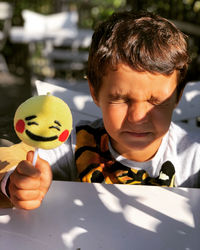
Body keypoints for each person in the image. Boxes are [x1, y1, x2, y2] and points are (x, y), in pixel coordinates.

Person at [0, 10, 200, 210]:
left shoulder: (193, 157)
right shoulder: (74, 144)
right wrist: (14, 183)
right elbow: (12, 159)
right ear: (95, 93)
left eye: (156, 101)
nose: (138, 116)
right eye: (120, 99)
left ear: (177, 96)